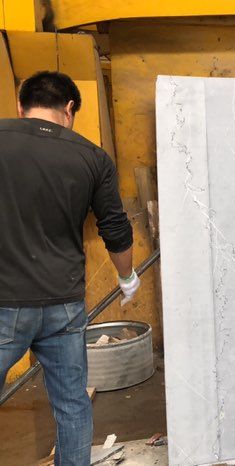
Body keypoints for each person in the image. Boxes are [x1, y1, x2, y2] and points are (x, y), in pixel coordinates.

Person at [0, 71, 140, 466]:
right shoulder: (92, 157)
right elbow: (115, 229)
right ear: (69, 108)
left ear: (21, 106)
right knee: (72, 405)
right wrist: (127, 277)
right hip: (64, 305)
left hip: (5, 302)